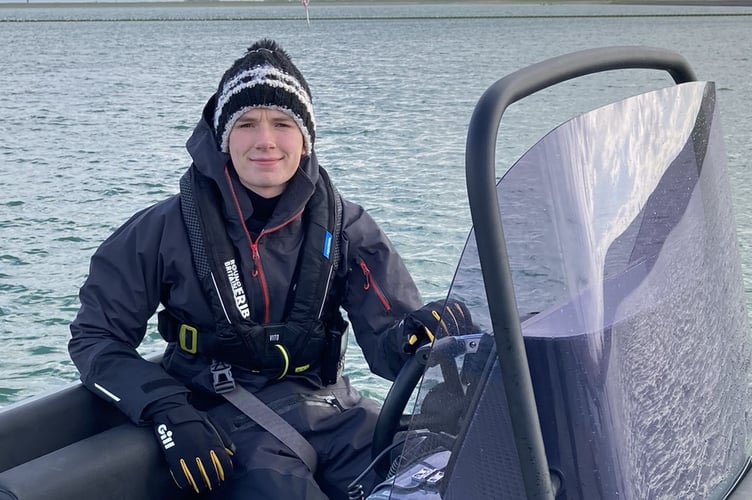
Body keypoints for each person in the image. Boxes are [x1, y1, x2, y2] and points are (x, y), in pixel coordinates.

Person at [68, 38, 472, 499]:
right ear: (223, 139)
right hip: (223, 418)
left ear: (304, 138)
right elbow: (95, 339)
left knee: (452, 474)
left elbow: (388, 348)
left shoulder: (346, 226)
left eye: (282, 123)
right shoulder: (163, 229)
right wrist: (167, 411)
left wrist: (416, 335)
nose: (265, 141)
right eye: (246, 124)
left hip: (332, 407)